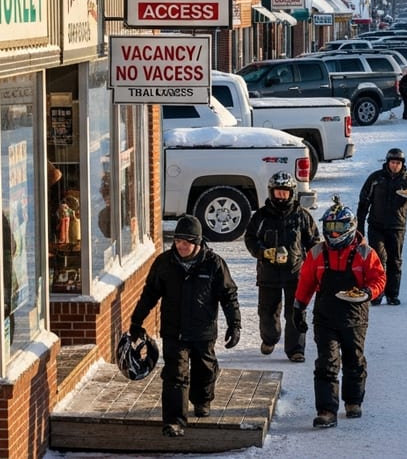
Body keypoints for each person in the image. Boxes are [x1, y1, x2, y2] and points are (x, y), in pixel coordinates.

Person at [129, 215, 242, 438]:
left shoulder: (214, 264)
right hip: (174, 330)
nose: (181, 246)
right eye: (178, 241)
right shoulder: (164, 263)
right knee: (175, 375)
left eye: (186, 242)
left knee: (204, 369)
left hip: (203, 330)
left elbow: (229, 295)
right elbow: (150, 294)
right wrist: (136, 321)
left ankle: (202, 400)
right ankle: (174, 421)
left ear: (197, 243)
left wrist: (234, 325)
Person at [292, 199, 387, 429]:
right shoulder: (316, 252)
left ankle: (353, 401)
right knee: (327, 361)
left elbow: (379, 279)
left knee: (354, 360)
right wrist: (298, 308)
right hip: (325, 316)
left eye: (339, 230)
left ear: (350, 228)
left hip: (355, 316)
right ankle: (326, 410)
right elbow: (305, 282)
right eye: (330, 230)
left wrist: (367, 292)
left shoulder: (365, 252)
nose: (334, 235)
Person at [244, 172, 320, 362]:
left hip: (296, 274)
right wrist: (263, 252)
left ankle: (296, 349)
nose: (281, 197)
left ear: (291, 193)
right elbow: (250, 238)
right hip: (268, 274)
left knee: (295, 313)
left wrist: (314, 267)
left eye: (284, 193)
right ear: (271, 193)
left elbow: (313, 242)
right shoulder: (261, 216)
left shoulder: (302, 216)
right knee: (267, 314)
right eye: (278, 193)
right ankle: (269, 339)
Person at [357, 148, 407, 306]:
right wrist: (359, 228)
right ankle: (377, 293)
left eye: (398, 163)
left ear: (402, 164)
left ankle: (393, 294)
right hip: (376, 225)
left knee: (395, 261)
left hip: (397, 227)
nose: (395, 166)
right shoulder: (376, 178)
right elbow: (363, 202)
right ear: (387, 163)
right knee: (378, 259)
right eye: (392, 162)